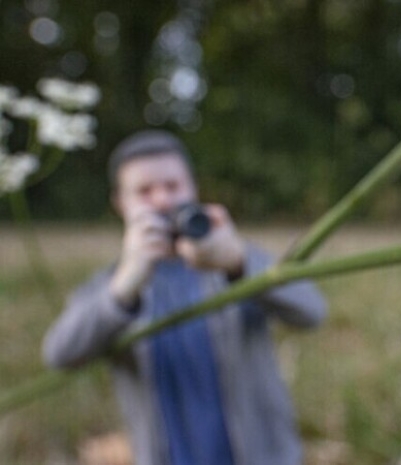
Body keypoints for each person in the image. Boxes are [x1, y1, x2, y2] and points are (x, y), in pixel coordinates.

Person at [42, 130, 327, 465]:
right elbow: (59, 354)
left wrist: (238, 262)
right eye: (145, 191)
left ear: (192, 187)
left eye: (173, 186)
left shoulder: (234, 259)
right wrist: (123, 289)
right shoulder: (108, 283)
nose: (162, 200)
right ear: (120, 203)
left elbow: (312, 311)